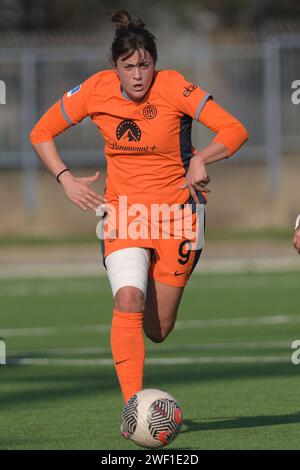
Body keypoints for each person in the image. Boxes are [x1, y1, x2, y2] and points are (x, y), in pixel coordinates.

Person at [30, 10, 248, 418]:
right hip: (124, 214)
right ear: (114, 67)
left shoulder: (174, 87)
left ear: (155, 64)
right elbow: (40, 132)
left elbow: (235, 129)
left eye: (144, 66)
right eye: (128, 67)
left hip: (180, 216)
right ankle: (133, 409)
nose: (136, 76)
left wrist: (203, 159)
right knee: (128, 298)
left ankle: (151, 274)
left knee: (157, 330)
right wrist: (65, 179)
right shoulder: (95, 90)